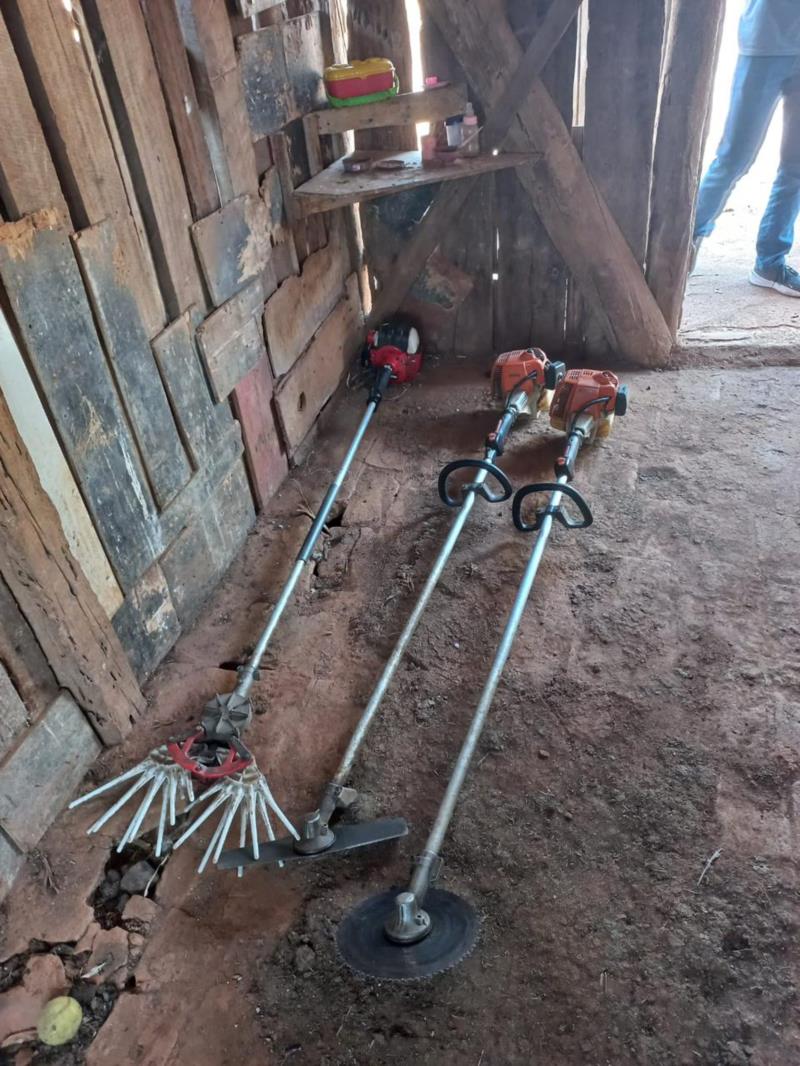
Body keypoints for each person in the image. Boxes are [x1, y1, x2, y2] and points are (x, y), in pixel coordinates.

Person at [694, 0, 800, 296]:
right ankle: (680, 247)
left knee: (796, 168)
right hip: (764, 44)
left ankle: (770, 264)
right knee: (733, 159)